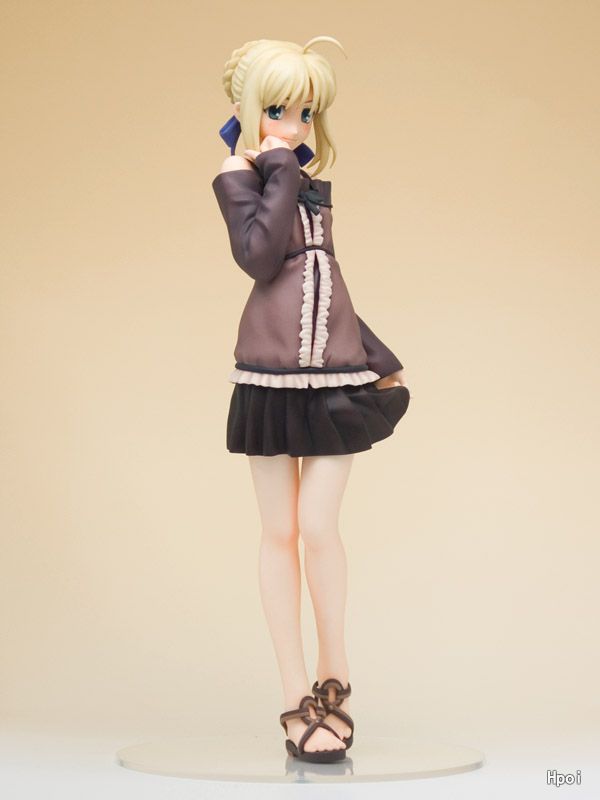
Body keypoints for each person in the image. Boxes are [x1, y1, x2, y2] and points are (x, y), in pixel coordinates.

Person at [211, 35, 410, 763]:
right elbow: (260, 257)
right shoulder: (241, 175)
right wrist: (277, 167)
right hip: (268, 375)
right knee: (280, 533)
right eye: (277, 110)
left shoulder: (301, 178)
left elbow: (328, 281)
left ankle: (336, 674)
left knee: (321, 527)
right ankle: (295, 693)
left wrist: (376, 356)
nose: (294, 126)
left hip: (332, 371)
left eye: (304, 112)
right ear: (247, 108)